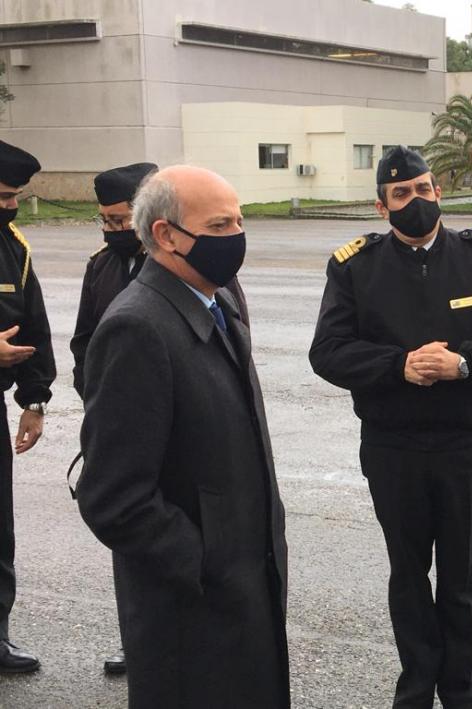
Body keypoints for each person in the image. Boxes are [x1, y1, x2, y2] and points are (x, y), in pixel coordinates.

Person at [309, 145, 472, 709]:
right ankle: (415, 690)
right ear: (380, 206)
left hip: (464, 446)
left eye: (423, 189)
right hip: (393, 449)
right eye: (401, 194)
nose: (416, 201)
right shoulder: (354, 267)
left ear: (438, 191)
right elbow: (329, 351)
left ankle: (463, 692)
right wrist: (398, 365)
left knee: (461, 579)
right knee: (408, 577)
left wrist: (463, 363)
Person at [76, 165, 289, 708]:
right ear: (166, 235)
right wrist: (204, 561)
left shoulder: (220, 304)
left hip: (243, 587)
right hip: (191, 614)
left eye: (240, 221)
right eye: (219, 226)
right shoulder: (137, 327)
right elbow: (114, 498)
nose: (236, 237)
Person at [70, 162, 250, 400]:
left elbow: (236, 339)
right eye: (104, 220)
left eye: (118, 220)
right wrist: (94, 392)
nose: (109, 230)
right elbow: (85, 339)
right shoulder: (101, 265)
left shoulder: (195, 267)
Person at [0, 140, 56, 673]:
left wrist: (34, 398)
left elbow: (33, 323)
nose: (7, 206)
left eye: (13, 197)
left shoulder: (14, 247)